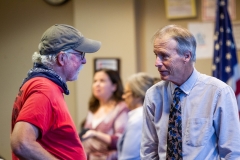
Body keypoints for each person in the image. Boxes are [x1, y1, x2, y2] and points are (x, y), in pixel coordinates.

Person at [140, 24, 240, 159]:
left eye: (164, 56)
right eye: (156, 55)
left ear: (186, 56)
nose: (157, 63)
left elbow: (232, 152)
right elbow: (149, 151)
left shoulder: (218, 92)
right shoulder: (153, 95)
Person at [10, 24, 101, 160]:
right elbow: (21, 143)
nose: (84, 61)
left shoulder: (40, 84)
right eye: (80, 54)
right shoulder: (44, 90)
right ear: (62, 58)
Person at [81, 69, 129, 160]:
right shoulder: (93, 108)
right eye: (95, 81)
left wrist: (95, 134)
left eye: (102, 81)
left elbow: (120, 141)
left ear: (114, 86)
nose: (97, 84)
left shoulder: (121, 108)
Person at [117, 72, 155, 160]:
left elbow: (129, 157)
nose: (123, 96)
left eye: (126, 92)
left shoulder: (138, 119)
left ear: (137, 95)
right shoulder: (146, 114)